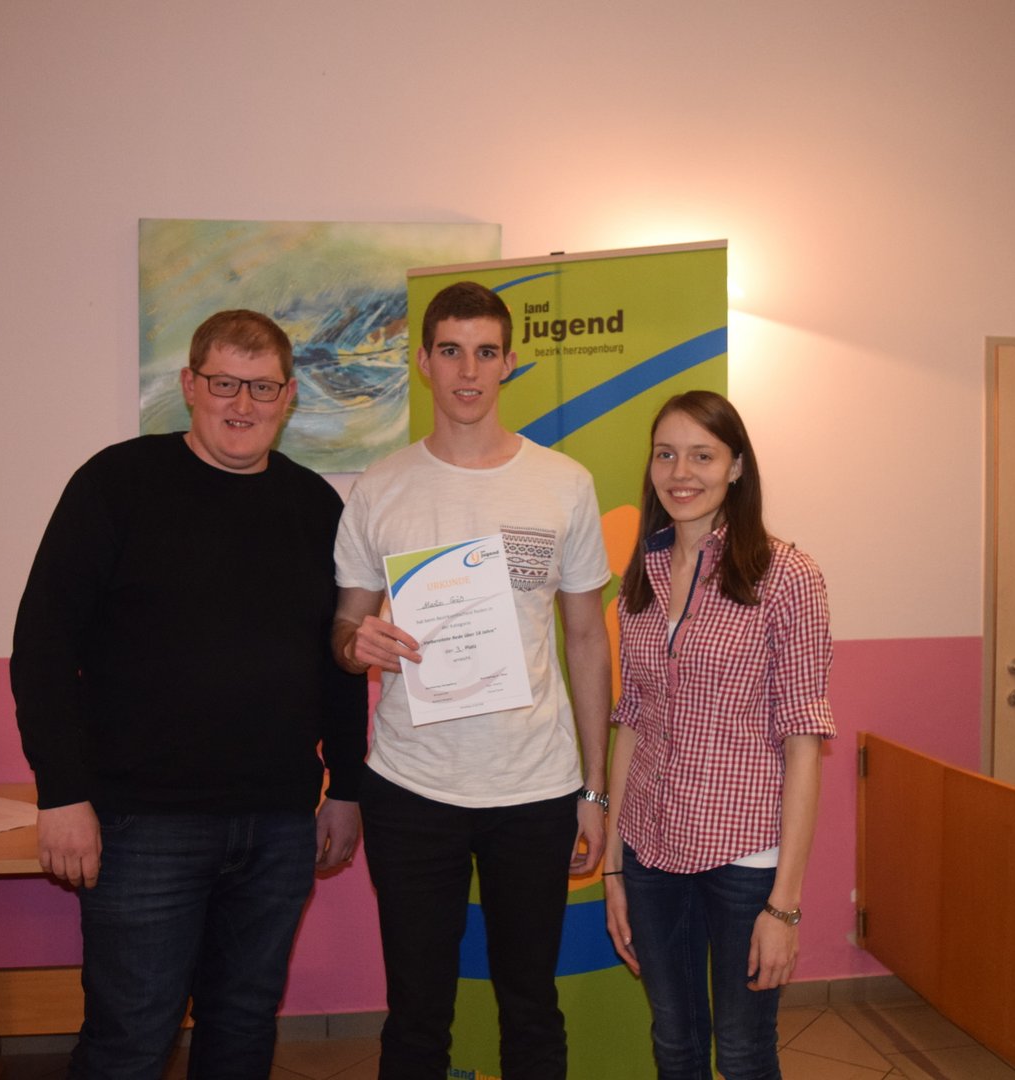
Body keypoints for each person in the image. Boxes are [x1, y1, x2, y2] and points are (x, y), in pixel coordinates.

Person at [10, 309, 368, 1080]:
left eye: (262, 387)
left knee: (243, 1027)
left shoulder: (316, 508)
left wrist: (346, 786)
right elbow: (42, 650)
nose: (243, 404)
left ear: (289, 396)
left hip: (278, 823)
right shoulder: (116, 484)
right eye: (224, 383)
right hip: (142, 823)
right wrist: (62, 792)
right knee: (130, 1040)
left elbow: (337, 659)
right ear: (189, 386)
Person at [331, 281, 612, 1080]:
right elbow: (344, 633)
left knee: (531, 1005)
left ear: (509, 362)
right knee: (417, 1014)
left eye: (486, 352)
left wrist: (594, 791)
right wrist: (359, 644)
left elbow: (587, 639)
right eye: (451, 351)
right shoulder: (381, 486)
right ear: (423, 361)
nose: (468, 370)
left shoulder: (563, 483)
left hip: (535, 787)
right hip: (411, 787)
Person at [602, 390, 835, 1080]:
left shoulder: (786, 576)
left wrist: (783, 907)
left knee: (741, 1051)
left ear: (736, 467)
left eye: (702, 456)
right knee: (674, 1043)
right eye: (666, 455)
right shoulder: (642, 576)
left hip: (745, 857)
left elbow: (803, 743)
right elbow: (632, 724)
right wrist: (614, 866)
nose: (681, 473)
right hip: (650, 850)